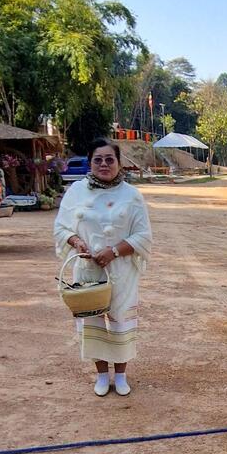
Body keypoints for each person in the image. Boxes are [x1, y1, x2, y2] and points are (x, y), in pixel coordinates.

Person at [54, 138, 152, 397]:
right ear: (90, 163)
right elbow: (61, 227)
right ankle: (101, 375)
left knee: (120, 321)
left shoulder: (132, 196)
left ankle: (120, 375)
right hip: (88, 270)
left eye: (110, 159)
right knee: (92, 322)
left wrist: (114, 251)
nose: (104, 164)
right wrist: (77, 243)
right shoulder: (76, 191)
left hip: (120, 272)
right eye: (98, 159)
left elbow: (143, 236)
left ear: (119, 163)